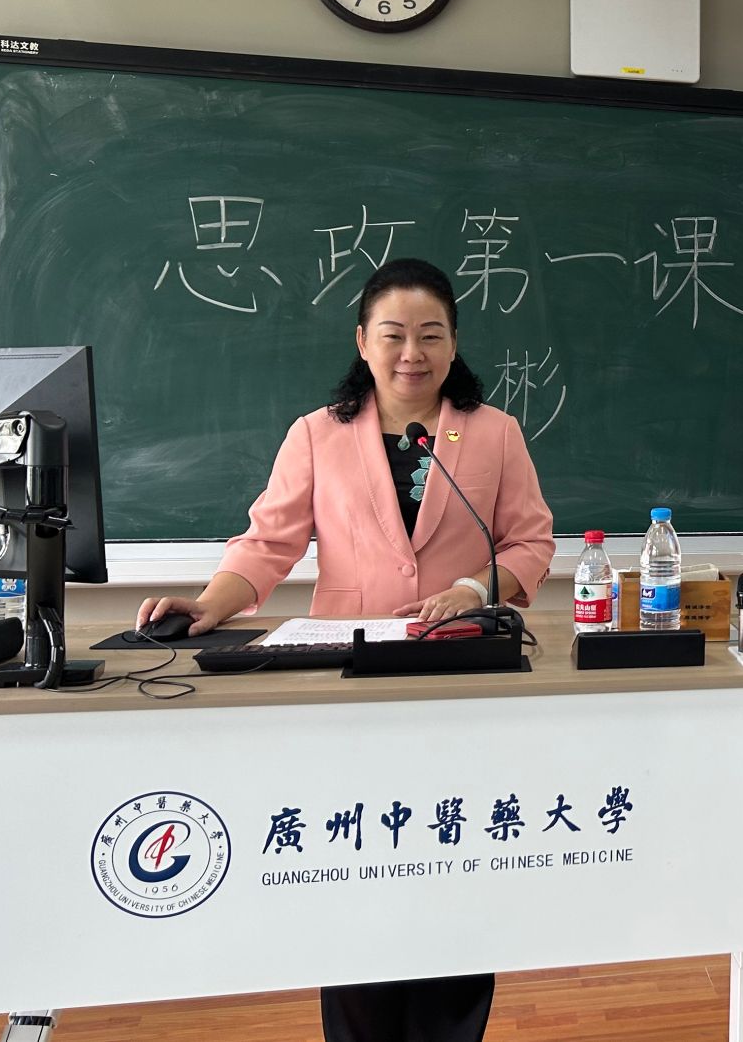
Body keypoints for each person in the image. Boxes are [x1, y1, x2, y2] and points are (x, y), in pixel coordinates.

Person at [135, 256, 555, 1042]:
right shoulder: (317, 434)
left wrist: (475, 589)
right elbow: (268, 544)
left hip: (458, 679)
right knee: (359, 869)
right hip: (350, 684)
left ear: (454, 342)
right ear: (363, 341)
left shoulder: (493, 433)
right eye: (394, 334)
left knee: (458, 865)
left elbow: (530, 542)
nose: (412, 353)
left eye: (431, 334)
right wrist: (211, 602)